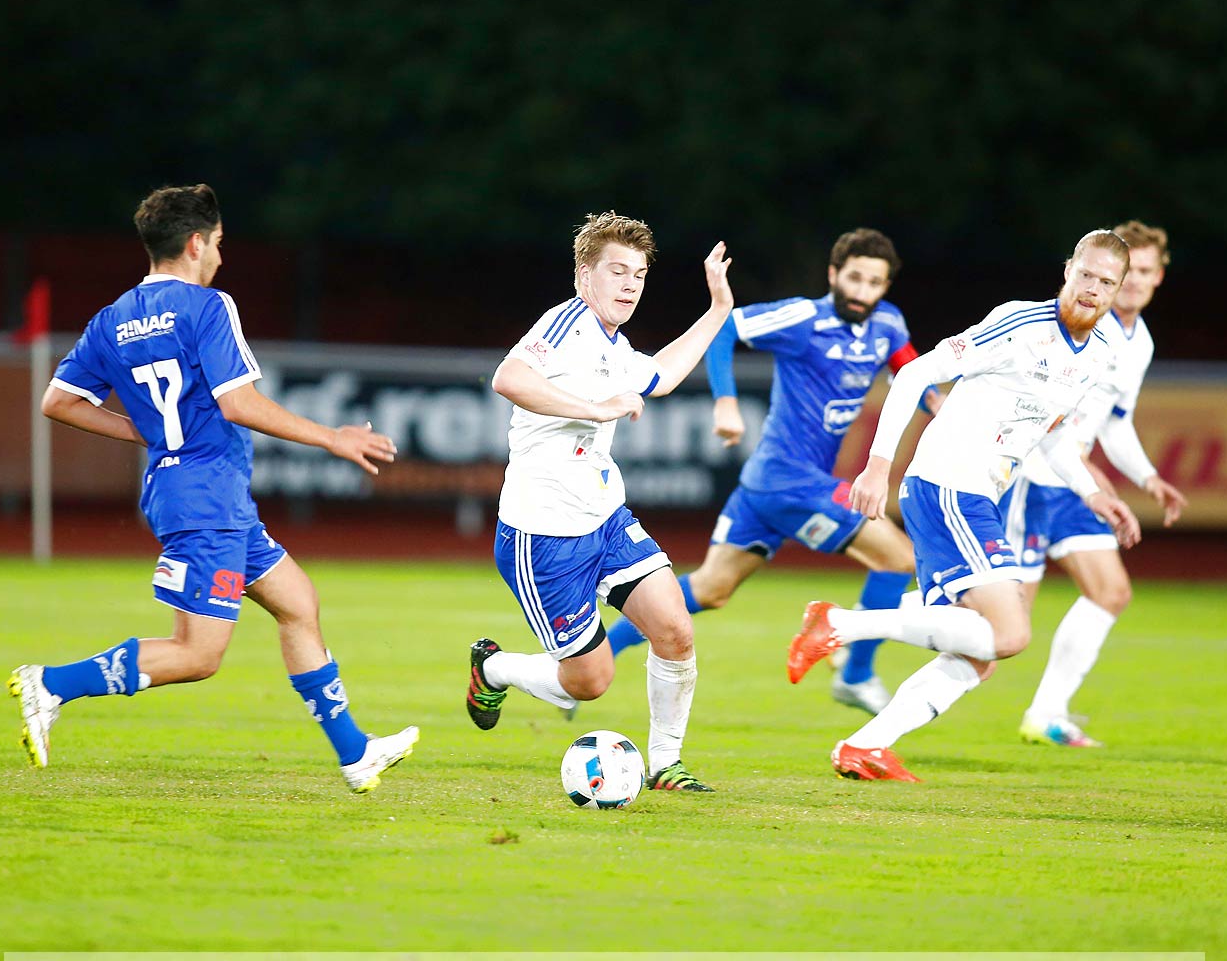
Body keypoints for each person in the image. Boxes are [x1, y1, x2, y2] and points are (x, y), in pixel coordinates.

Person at [11, 184, 418, 793]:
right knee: (198, 654)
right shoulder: (207, 307)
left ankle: (355, 754)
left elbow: (57, 401)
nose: (222, 258)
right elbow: (238, 402)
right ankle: (51, 685)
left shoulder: (111, 319)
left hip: (194, 494)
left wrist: (145, 432)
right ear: (197, 242)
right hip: (207, 500)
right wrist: (331, 438)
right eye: (220, 244)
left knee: (298, 604)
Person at [787, 229, 1142, 782]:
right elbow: (914, 372)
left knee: (979, 655)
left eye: (1107, 282)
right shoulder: (1020, 324)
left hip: (982, 496)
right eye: (1086, 274)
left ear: (1119, 290)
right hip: (947, 485)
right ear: (1067, 270)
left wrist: (1093, 491)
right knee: (1012, 634)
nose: (1093, 288)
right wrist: (878, 466)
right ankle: (840, 624)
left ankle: (866, 745)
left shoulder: (1099, 355)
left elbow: (1048, 435)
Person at [602, 228, 924, 716]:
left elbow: (913, 375)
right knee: (899, 559)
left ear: (885, 287)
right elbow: (726, 328)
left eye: (874, 282)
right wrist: (726, 404)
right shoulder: (803, 317)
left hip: (767, 485)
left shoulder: (889, 325)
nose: (862, 291)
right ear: (835, 274)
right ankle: (856, 675)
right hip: (791, 479)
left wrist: (948, 410)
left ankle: (600, 653)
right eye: (854, 277)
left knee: (710, 589)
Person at [465, 212, 733, 791]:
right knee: (590, 681)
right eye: (617, 271)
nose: (630, 284)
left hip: (606, 520)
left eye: (638, 273)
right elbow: (507, 378)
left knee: (675, 630)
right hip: (544, 537)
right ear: (585, 275)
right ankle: (494, 667)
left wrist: (717, 312)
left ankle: (666, 765)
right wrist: (596, 408)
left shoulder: (615, 343)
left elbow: (659, 374)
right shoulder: (566, 323)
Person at [1007, 221, 1187, 748]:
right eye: (1128, 273)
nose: (1135, 283)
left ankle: (1046, 714)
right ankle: (857, 625)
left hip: (1071, 480)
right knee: (996, 629)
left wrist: (1148, 476)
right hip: (1027, 477)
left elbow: (1114, 420)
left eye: (1147, 272)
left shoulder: (1140, 342)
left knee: (1110, 592)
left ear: (1154, 277)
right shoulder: (1080, 320)